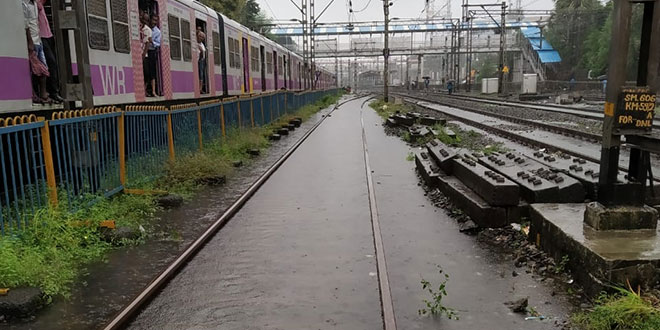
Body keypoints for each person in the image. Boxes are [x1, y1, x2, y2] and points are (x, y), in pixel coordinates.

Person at [23, 0, 50, 104]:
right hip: (33, 41)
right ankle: (34, 94)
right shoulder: (24, 3)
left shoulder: (34, 4)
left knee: (43, 68)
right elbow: (26, 24)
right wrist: (30, 41)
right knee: (33, 69)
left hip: (38, 40)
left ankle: (43, 93)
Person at [37, 0, 63, 103]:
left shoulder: (38, 4)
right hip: (41, 36)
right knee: (50, 63)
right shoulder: (36, 4)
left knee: (51, 63)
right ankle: (53, 91)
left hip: (48, 35)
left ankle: (54, 91)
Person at [140, 13, 153, 96]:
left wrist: (144, 54)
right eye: (143, 19)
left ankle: (144, 89)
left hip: (144, 54)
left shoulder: (148, 30)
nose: (144, 21)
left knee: (146, 73)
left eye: (146, 20)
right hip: (137, 52)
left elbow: (148, 43)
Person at [148, 15, 160, 96]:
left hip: (151, 51)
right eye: (153, 20)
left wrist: (152, 42)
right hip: (144, 50)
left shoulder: (157, 32)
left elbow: (158, 44)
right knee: (146, 70)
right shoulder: (146, 28)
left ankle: (153, 91)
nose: (154, 22)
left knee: (152, 71)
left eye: (156, 21)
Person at [196, 26, 207, 93]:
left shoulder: (202, 45)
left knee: (201, 74)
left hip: (201, 60)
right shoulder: (195, 43)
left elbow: (203, 53)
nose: (201, 38)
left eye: (202, 37)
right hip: (196, 59)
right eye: (200, 36)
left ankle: (200, 88)